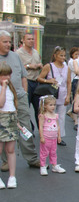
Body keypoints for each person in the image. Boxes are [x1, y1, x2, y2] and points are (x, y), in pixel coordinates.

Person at [0, 30, 40, 172]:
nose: (8, 44)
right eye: (5, 41)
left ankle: (32, 158)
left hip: (20, 97)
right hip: (3, 101)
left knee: (25, 127)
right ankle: (5, 161)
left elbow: (24, 76)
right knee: (5, 130)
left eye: (9, 41)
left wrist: (24, 93)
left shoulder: (15, 56)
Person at [37, 46, 72, 146]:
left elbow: (69, 82)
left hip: (63, 93)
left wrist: (68, 96)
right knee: (48, 115)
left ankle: (58, 137)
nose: (63, 57)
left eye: (64, 56)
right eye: (61, 55)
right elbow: (39, 78)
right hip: (51, 95)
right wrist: (48, 80)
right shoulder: (49, 66)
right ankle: (46, 134)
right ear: (55, 55)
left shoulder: (67, 68)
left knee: (61, 116)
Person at [16, 31, 43, 129]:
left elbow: (39, 63)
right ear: (23, 40)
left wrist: (39, 66)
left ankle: (42, 132)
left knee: (39, 109)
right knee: (25, 108)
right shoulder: (18, 53)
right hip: (25, 82)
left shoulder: (35, 52)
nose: (31, 41)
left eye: (32, 39)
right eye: (28, 39)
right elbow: (16, 68)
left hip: (36, 82)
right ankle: (27, 128)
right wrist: (28, 66)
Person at [0, 62, 19, 188]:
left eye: (8, 75)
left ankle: (12, 176)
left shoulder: (11, 87)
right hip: (1, 118)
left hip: (11, 117)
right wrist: (4, 88)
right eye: (3, 75)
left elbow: (13, 104)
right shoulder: (4, 88)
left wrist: (17, 122)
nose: (6, 78)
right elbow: (1, 103)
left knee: (10, 149)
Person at [38, 95, 66, 176]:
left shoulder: (55, 115)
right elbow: (40, 126)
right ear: (45, 106)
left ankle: (54, 165)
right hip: (46, 138)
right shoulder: (43, 116)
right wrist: (42, 137)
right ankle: (43, 166)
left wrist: (59, 136)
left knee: (53, 152)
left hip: (53, 138)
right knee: (44, 152)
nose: (53, 107)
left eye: (54, 105)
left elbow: (58, 126)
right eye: (50, 105)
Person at [67, 46, 79, 130]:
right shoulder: (72, 62)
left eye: (78, 54)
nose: (77, 56)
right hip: (74, 81)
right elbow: (77, 71)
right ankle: (75, 116)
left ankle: (72, 111)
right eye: (76, 54)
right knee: (76, 99)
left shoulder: (78, 61)